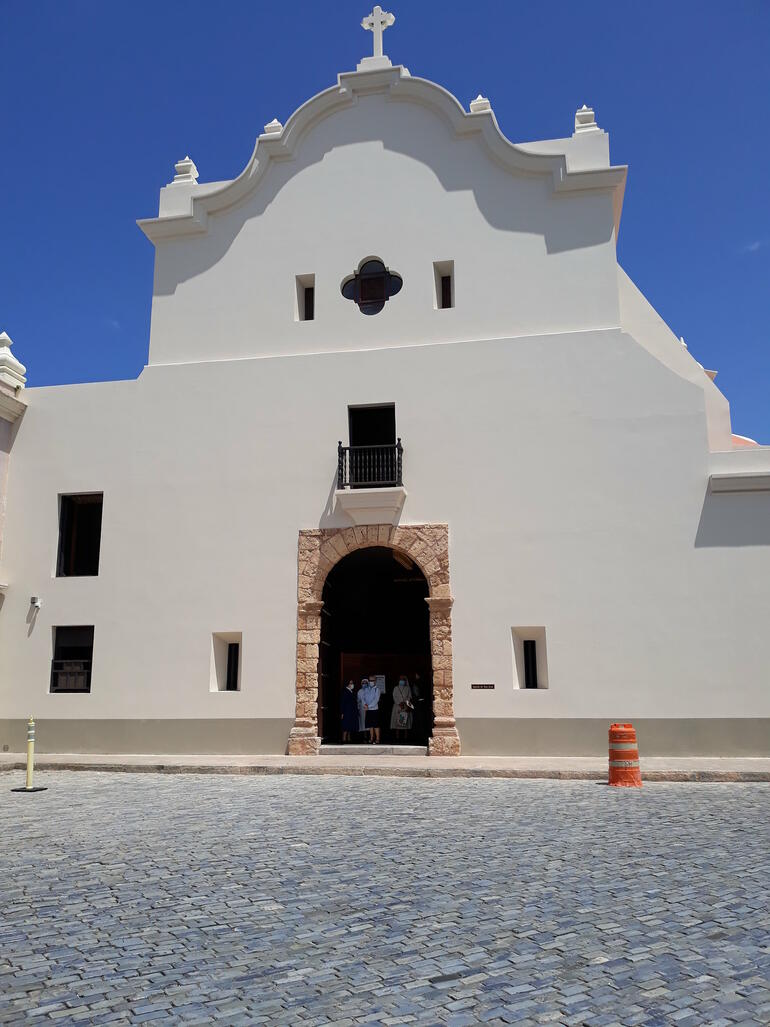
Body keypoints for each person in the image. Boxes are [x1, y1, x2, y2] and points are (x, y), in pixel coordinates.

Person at [360, 676, 383, 744]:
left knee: (376, 725)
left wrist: (368, 706)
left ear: (375, 681)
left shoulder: (377, 689)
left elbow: (376, 700)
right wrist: (365, 705)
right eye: (370, 680)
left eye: (372, 680)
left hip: (374, 709)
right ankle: (371, 738)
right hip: (368, 710)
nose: (371, 682)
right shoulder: (366, 689)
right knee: (370, 725)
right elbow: (363, 698)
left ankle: (378, 739)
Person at [390, 675, 413, 740]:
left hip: (405, 705)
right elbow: (394, 697)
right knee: (397, 721)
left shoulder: (407, 688)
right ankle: (397, 737)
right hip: (397, 706)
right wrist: (399, 703)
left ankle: (405, 737)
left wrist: (405, 703)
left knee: (406, 721)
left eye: (403, 679)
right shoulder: (396, 688)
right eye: (401, 679)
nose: (402, 681)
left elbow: (409, 697)